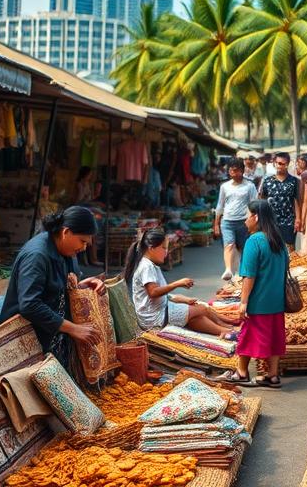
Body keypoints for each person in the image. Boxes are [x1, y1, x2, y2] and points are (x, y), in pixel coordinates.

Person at [0, 207, 105, 368]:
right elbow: (29, 305)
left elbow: (58, 286)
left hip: (46, 339)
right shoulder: (36, 256)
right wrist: (73, 328)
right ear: (65, 232)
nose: (84, 248)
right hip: (21, 343)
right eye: (82, 241)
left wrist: (83, 285)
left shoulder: (66, 251)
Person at [221, 200, 290, 388]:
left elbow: (249, 276)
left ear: (256, 217)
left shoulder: (254, 241)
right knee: (275, 336)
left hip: (259, 300)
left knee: (248, 335)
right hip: (276, 300)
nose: (245, 221)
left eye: (247, 216)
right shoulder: (278, 240)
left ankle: (241, 372)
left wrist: (243, 301)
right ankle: (272, 375)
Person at [124, 228, 234, 336]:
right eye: (163, 248)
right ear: (151, 248)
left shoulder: (150, 265)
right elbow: (153, 293)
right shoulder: (146, 266)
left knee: (195, 315)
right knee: (203, 308)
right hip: (154, 318)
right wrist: (177, 283)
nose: (166, 253)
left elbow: (160, 295)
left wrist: (180, 298)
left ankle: (223, 329)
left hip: (159, 311)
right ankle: (226, 326)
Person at [214, 157, 259, 281]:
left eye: (237, 170)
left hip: (244, 222)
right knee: (229, 245)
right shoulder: (225, 187)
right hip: (227, 221)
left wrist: (254, 221)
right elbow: (220, 205)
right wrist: (216, 224)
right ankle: (228, 269)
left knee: (243, 248)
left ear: (242, 171)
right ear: (229, 171)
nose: (234, 173)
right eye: (231, 170)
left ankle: (242, 271)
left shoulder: (249, 186)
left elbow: (254, 204)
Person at [258, 152, 302, 252]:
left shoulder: (294, 181)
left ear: (287, 164)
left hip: (288, 220)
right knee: (271, 249)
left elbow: (296, 201)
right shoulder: (267, 180)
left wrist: (298, 219)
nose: (279, 165)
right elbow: (262, 200)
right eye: (277, 163)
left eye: (282, 163)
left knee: (289, 250)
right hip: (271, 221)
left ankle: (288, 267)